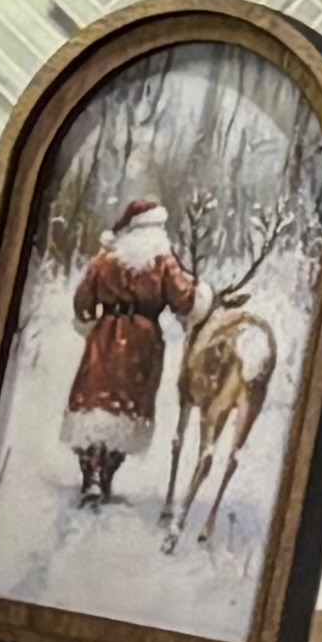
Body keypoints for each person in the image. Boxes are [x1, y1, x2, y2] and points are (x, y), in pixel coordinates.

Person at [60, 195, 194, 508]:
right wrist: (198, 294)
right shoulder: (164, 259)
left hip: (105, 336)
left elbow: (82, 301)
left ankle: (90, 475)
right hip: (142, 341)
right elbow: (183, 300)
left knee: (94, 403)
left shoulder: (106, 259)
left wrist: (91, 321)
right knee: (126, 409)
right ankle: (105, 475)